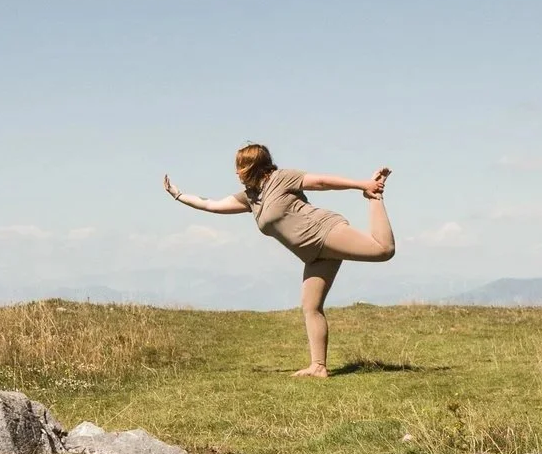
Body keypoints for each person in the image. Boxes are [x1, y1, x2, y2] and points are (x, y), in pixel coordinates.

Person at [163, 143, 394, 378]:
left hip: (324, 231)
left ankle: (374, 197)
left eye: (240, 166)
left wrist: (363, 185)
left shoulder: (282, 178)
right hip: (313, 254)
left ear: (253, 166)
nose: (236, 173)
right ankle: (318, 366)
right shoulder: (250, 198)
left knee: (383, 250)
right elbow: (211, 205)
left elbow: (322, 182)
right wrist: (179, 195)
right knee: (311, 307)